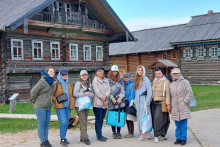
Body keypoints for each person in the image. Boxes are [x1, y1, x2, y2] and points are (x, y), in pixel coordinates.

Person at [31, 66, 55, 147]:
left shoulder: (50, 82)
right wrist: (34, 101)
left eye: (53, 72)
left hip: (48, 107)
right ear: (47, 72)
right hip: (40, 107)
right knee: (41, 124)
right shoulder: (42, 81)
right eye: (50, 71)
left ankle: (46, 140)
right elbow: (33, 91)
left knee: (46, 124)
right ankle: (42, 142)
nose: (52, 73)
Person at [170, 68, 193, 146]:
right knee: (177, 124)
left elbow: (190, 93)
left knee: (183, 124)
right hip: (175, 107)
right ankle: (178, 138)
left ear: (179, 74)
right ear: (172, 74)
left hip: (183, 106)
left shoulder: (185, 82)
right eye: (174, 74)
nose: (175, 75)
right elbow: (170, 96)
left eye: (177, 73)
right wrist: (170, 105)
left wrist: (184, 102)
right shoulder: (171, 84)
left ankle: (183, 139)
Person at [52, 68, 75, 147]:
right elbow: (52, 94)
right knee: (63, 122)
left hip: (68, 106)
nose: (65, 76)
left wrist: (72, 104)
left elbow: (72, 95)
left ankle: (64, 138)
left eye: (66, 74)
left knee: (66, 123)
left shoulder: (70, 84)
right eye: (63, 74)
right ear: (60, 75)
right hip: (60, 106)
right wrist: (56, 101)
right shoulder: (56, 83)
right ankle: (62, 139)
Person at [73, 70, 94, 145]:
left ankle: (82, 137)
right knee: (83, 121)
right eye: (83, 75)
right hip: (79, 105)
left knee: (84, 121)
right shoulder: (78, 84)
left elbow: (92, 95)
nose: (84, 76)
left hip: (86, 105)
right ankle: (86, 138)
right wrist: (84, 93)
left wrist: (89, 94)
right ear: (80, 76)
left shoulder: (89, 84)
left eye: (86, 75)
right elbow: (75, 94)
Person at [151, 67, 171, 143]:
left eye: (159, 73)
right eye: (156, 74)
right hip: (153, 103)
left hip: (161, 103)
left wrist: (168, 104)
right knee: (154, 119)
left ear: (162, 73)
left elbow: (168, 94)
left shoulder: (166, 81)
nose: (158, 75)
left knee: (158, 119)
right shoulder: (154, 81)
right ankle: (162, 135)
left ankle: (156, 135)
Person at [134, 65, 152, 141]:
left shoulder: (146, 80)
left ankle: (145, 134)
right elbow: (135, 91)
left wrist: (147, 101)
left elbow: (149, 91)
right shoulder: (137, 80)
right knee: (139, 118)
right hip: (138, 102)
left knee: (145, 118)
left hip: (144, 102)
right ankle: (141, 133)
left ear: (143, 71)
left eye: (141, 70)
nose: (140, 72)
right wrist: (135, 101)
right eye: (139, 70)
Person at [92, 66, 110, 142]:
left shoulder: (106, 80)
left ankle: (101, 134)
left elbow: (109, 89)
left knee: (102, 119)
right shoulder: (95, 81)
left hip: (105, 103)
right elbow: (97, 92)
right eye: (99, 71)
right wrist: (103, 99)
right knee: (98, 120)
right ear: (96, 72)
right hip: (97, 104)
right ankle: (99, 136)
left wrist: (105, 97)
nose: (100, 72)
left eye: (102, 71)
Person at [107, 65, 125, 139]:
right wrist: (112, 98)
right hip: (112, 101)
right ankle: (114, 132)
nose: (114, 72)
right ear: (111, 71)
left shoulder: (121, 79)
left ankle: (119, 132)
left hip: (119, 101)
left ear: (117, 72)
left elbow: (123, 89)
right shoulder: (108, 80)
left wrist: (120, 98)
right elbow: (107, 90)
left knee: (119, 116)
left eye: (116, 71)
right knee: (112, 116)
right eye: (113, 71)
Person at [123, 73, 135, 138]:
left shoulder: (131, 85)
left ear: (129, 77)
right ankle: (129, 131)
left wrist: (130, 104)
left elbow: (132, 95)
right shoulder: (124, 84)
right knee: (126, 119)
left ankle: (131, 132)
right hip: (124, 104)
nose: (125, 78)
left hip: (129, 104)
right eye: (124, 77)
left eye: (127, 77)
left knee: (130, 118)